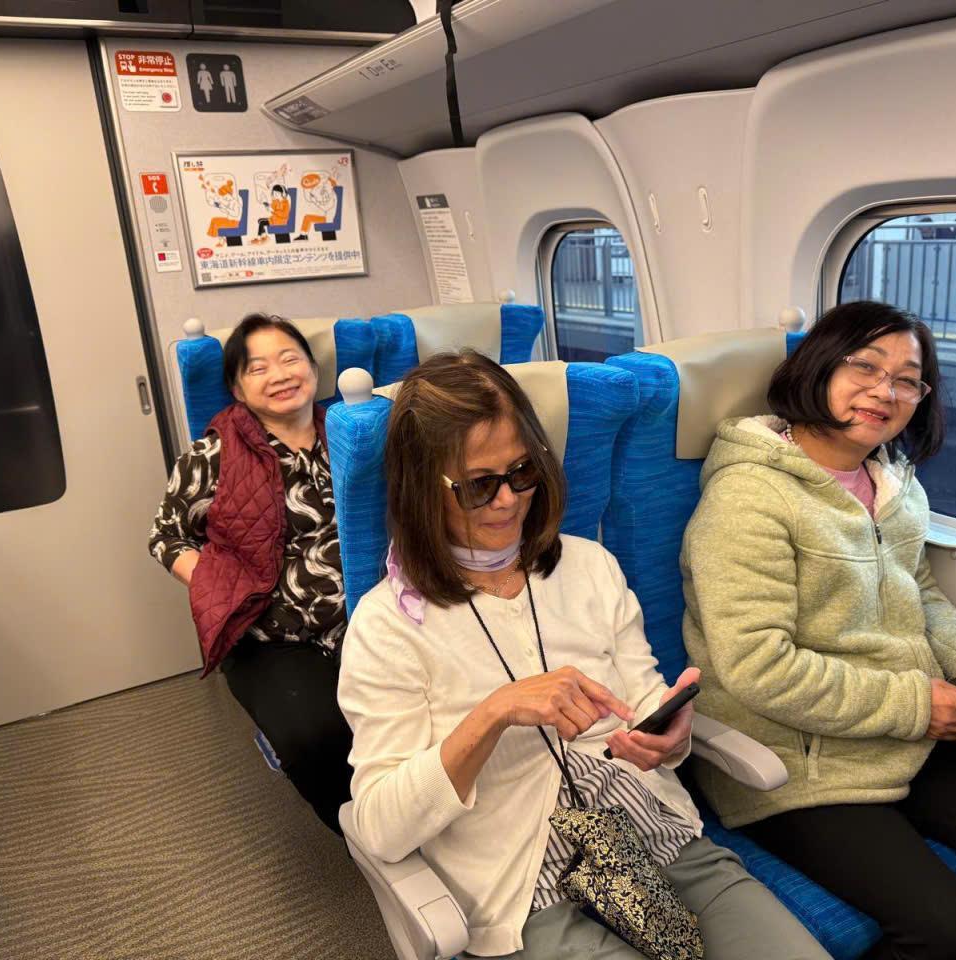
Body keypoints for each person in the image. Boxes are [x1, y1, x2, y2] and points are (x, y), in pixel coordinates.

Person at [338, 350, 831, 960]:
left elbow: (642, 698)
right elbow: (380, 827)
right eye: (478, 485)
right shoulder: (387, 625)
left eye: (522, 471)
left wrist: (667, 734)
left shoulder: (591, 566)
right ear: (421, 490)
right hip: (523, 886)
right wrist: (493, 714)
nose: (507, 501)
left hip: (653, 834)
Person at [680, 301, 956, 960]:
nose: (886, 391)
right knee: (946, 929)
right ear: (818, 368)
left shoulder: (892, 481)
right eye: (866, 367)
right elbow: (757, 666)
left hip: (894, 732)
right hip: (794, 759)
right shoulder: (748, 499)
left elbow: (916, 592)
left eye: (907, 380)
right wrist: (916, 705)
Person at [149, 313, 350, 833]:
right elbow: (166, 537)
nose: (279, 374)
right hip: (269, 633)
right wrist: (222, 585)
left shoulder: (351, 433)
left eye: (289, 359)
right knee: (317, 737)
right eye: (258, 368)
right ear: (238, 388)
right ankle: (364, 836)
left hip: (366, 617)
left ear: (313, 369)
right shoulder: (212, 455)